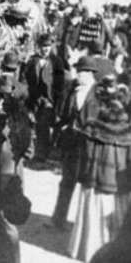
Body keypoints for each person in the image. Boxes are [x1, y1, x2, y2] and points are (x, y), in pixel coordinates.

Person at [68, 74, 131, 261]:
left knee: (90, 219)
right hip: (116, 185)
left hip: (93, 181)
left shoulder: (92, 129)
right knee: (113, 224)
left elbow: (83, 156)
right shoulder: (127, 133)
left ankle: (84, 250)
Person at [50, 56, 98, 230]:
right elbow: (63, 113)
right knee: (66, 182)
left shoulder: (99, 93)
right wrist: (62, 126)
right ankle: (58, 220)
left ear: (89, 73)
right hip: (71, 144)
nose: (77, 74)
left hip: (89, 147)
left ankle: (83, 227)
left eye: (80, 71)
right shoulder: (72, 90)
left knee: (87, 187)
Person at [24, 33, 66, 163]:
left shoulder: (57, 61)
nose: (45, 49)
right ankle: (28, 151)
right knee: (30, 124)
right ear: (38, 47)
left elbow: (60, 83)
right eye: (43, 46)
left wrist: (56, 101)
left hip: (49, 99)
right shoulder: (32, 61)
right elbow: (25, 79)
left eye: (48, 46)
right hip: (33, 97)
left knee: (43, 126)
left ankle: (41, 154)